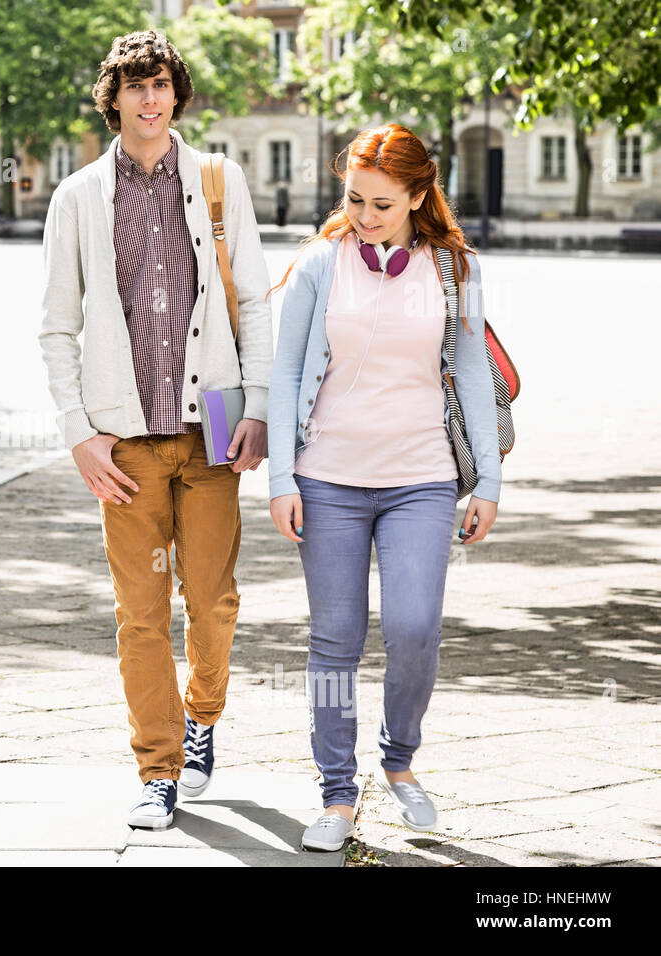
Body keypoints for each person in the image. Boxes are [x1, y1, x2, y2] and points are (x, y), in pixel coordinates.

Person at [39, 29, 273, 830]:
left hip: (212, 434)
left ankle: (202, 716)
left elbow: (255, 302)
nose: (149, 99)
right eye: (134, 86)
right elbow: (55, 328)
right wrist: (79, 431)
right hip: (126, 445)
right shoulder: (77, 198)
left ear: (177, 93)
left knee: (210, 602)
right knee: (141, 615)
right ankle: (158, 770)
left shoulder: (217, 180)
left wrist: (264, 406)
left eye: (161, 84)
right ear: (114, 99)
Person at [265, 123, 501, 852]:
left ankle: (400, 761)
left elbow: (471, 372)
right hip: (328, 479)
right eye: (355, 201)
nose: (365, 218)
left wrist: (487, 477)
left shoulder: (455, 268)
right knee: (334, 642)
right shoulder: (319, 265)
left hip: (421, 481)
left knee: (414, 627)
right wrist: (281, 476)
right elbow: (285, 373)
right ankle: (337, 792)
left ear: (420, 195)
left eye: (382, 205)